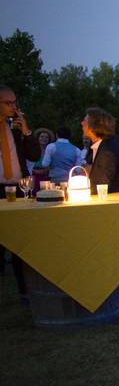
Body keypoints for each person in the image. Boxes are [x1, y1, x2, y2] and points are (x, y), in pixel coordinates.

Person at [82, 107, 119, 299]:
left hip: (115, 205)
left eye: (85, 120)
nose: (82, 123)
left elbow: (101, 182)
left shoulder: (107, 150)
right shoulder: (111, 143)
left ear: (94, 125)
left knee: (116, 247)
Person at [0, 84, 42, 302]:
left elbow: (35, 154)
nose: (13, 107)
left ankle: (24, 290)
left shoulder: (16, 128)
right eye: (8, 103)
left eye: (15, 102)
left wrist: (26, 131)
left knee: (19, 238)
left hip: (17, 187)